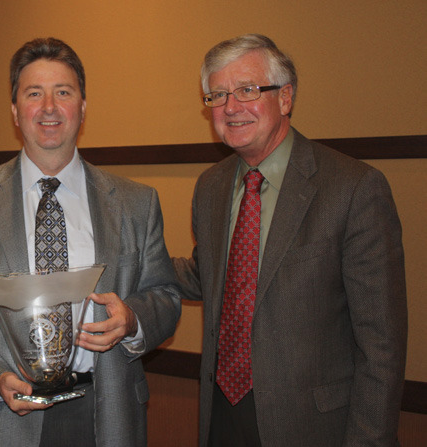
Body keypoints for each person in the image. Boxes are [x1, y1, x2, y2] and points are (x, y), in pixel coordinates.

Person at [0, 37, 182, 447]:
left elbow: (166, 296)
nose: (49, 107)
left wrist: (132, 319)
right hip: (3, 420)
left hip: (106, 412)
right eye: (34, 94)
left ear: (83, 107)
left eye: (63, 92)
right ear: (15, 111)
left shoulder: (136, 203)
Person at [172, 34, 408, 446]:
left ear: (285, 98)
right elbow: (210, 273)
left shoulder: (354, 188)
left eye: (247, 90)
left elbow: (381, 346)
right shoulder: (211, 186)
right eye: (218, 95)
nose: (230, 107)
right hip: (222, 415)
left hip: (313, 426)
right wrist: (124, 259)